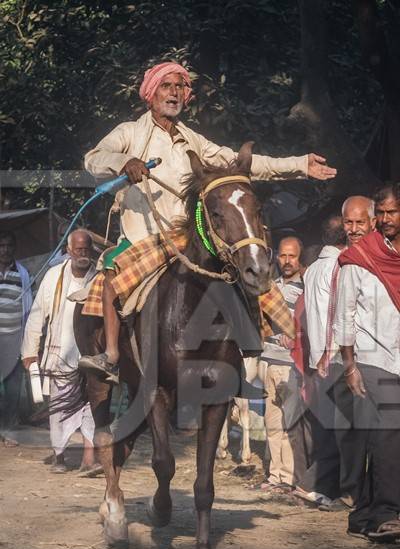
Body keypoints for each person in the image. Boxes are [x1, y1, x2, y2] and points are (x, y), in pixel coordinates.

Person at [79, 61, 337, 383]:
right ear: (151, 93)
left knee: (255, 278)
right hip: (146, 238)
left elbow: (242, 163)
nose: (173, 93)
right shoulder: (130, 133)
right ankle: (112, 356)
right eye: (166, 86)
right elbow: (93, 158)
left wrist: (298, 164)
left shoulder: (194, 141)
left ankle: (254, 352)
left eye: (179, 87)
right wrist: (123, 162)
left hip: (191, 237)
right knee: (109, 277)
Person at [334, 184, 400, 542]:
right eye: (384, 213)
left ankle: (362, 515)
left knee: (378, 438)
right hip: (371, 358)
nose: (387, 220)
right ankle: (388, 514)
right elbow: (343, 317)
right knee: (391, 431)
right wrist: (350, 366)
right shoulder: (357, 259)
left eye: (393, 213)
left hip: (399, 357)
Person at [21, 230, 101, 475]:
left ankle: (89, 458)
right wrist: (30, 352)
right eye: (78, 250)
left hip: (91, 356)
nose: (83, 255)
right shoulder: (53, 277)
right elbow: (36, 315)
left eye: (87, 250)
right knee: (60, 409)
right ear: (68, 251)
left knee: (92, 407)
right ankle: (59, 456)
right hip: (60, 355)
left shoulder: (99, 279)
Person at [294, 216, 347, 505]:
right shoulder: (338, 268)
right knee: (340, 432)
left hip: (319, 357)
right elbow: (334, 314)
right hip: (336, 356)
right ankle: (316, 485)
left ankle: (320, 486)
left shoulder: (313, 268)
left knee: (326, 428)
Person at [259, 237, 307, 492]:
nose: (287, 261)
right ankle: (274, 476)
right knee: (272, 423)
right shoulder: (269, 287)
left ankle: (288, 478)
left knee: (290, 423)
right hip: (268, 361)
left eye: (292, 256)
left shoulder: (306, 289)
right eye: (283, 256)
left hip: (290, 366)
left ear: (300, 258)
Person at [0, 231, 32, 446]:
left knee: (13, 388)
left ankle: (9, 429)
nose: (5, 250)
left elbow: (28, 309)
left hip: (13, 340)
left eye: (9, 246)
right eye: (1, 246)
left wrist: (27, 344)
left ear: (14, 248)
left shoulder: (22, 274)